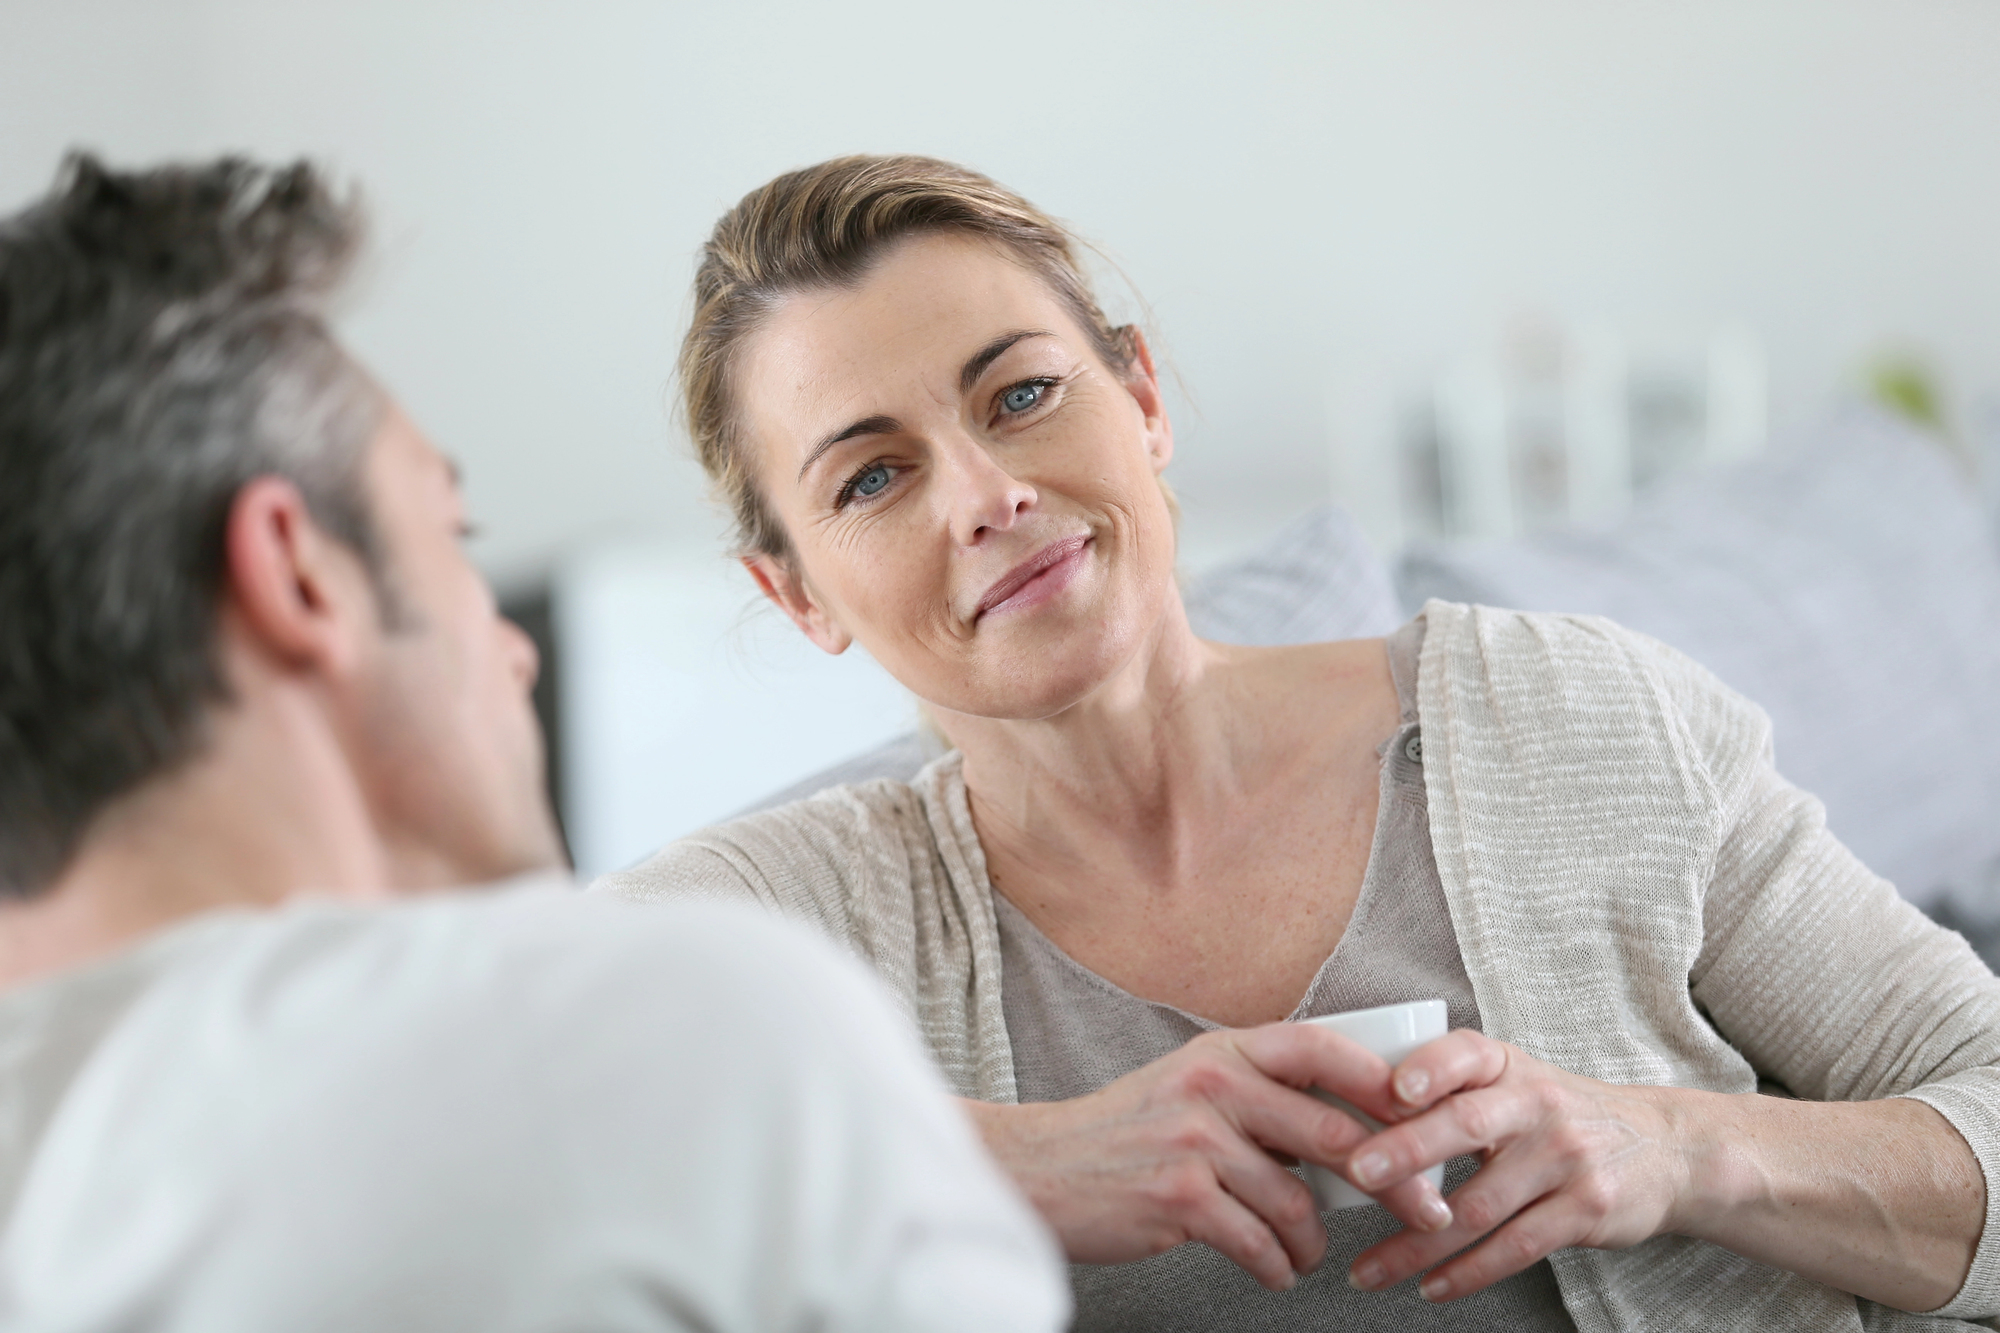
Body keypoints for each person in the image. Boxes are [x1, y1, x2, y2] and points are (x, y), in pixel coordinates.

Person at [599, 153, 2000, 1332]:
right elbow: (452, 1145)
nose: (987, 495)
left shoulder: (1572, 720)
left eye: (1020, 394)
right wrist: (1016, 1161)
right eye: (874, 475)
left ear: (1141, 398)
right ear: (796, 595)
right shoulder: (803, 922)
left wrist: (1685, 1149)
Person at [0, 154, 1071, 1333]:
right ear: (299, 574)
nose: (512, 651)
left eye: (1022, 395)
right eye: (448, 535)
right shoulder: (666, 1038)